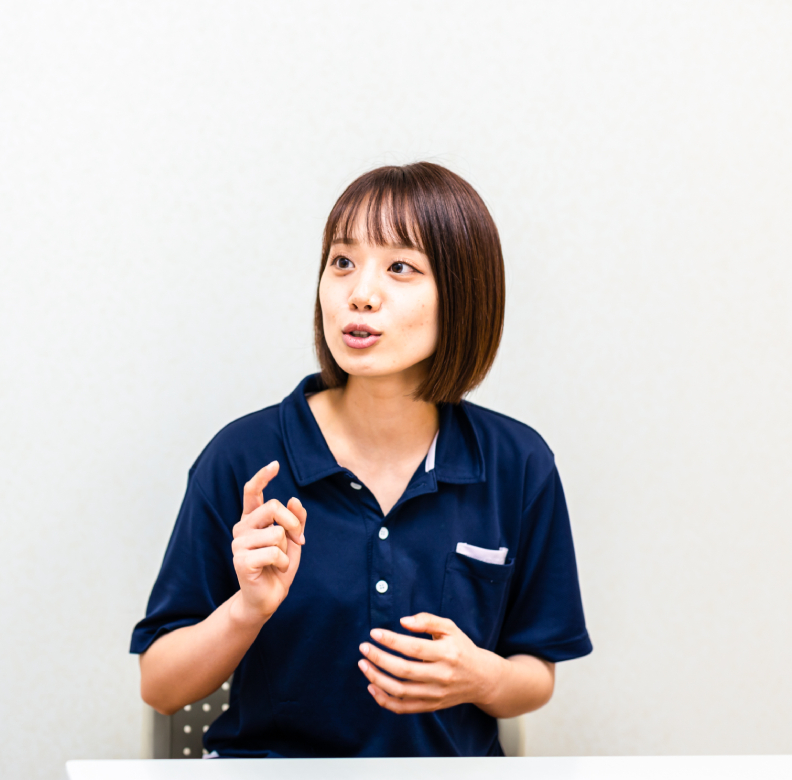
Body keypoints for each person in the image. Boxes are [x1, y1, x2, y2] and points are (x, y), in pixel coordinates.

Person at [130, 162, 592, 758]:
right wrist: (247, 609)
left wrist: (481, 677)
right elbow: (160, 686)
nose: (360, 294)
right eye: (343, 261)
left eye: (400, 268)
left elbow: (535, 675)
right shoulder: (243, 458)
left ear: (463, 294)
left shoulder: (518, 464)